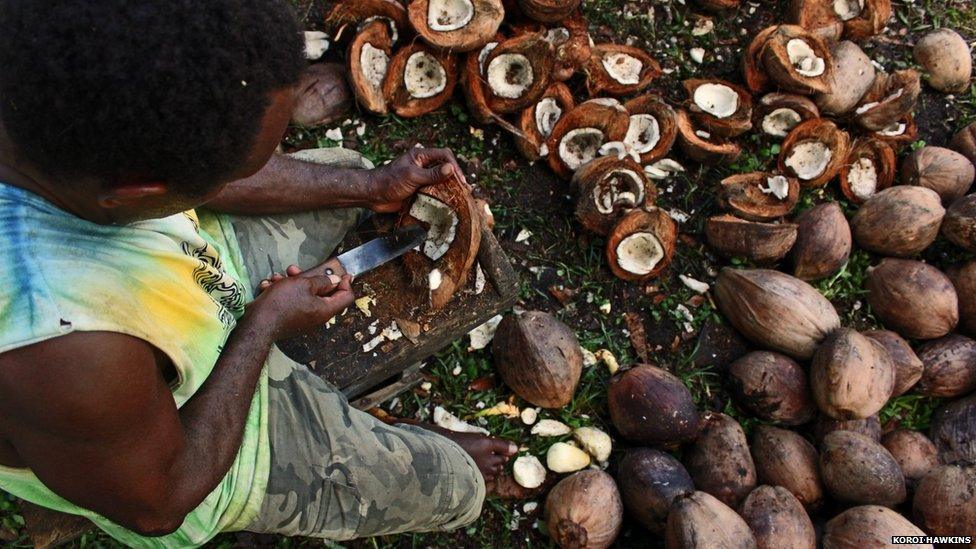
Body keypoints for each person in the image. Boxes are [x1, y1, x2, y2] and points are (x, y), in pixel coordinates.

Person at [0, 1, 516, 546]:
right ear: (138, 190)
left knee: (350, 177)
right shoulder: (62, 352)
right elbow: (160, 502)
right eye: (229, 172)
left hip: (173, 262)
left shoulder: (50, 95)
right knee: (454, 486)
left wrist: (370, 188)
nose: (248, 170)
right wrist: (261, 326)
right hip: (176, 448)